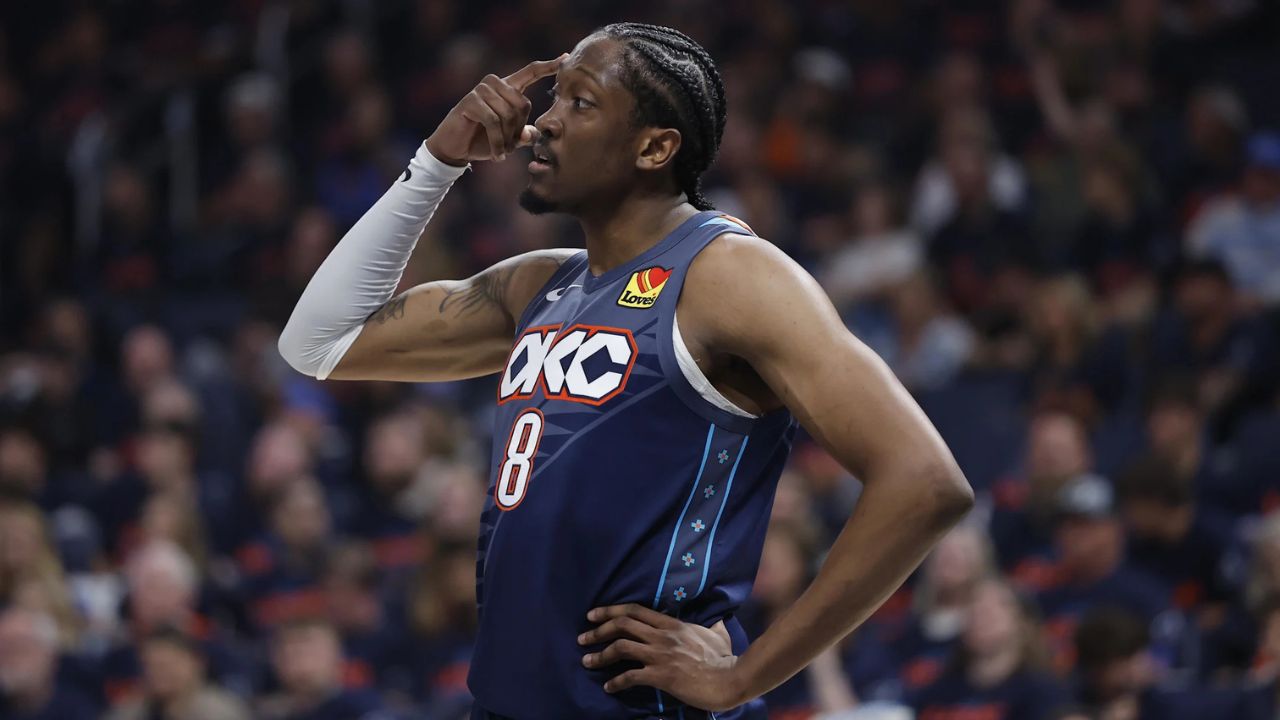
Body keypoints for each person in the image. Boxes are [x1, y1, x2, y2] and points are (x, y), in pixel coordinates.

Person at [279, 22, 972, 719]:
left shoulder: (731, 275)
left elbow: (925, 482)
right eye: (554, 100)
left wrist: (747, 675)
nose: (544, 121)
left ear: (655, 146)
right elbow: (318, 342)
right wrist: (435, 162)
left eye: (581, 103)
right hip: (506, 701)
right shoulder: (540, 285)